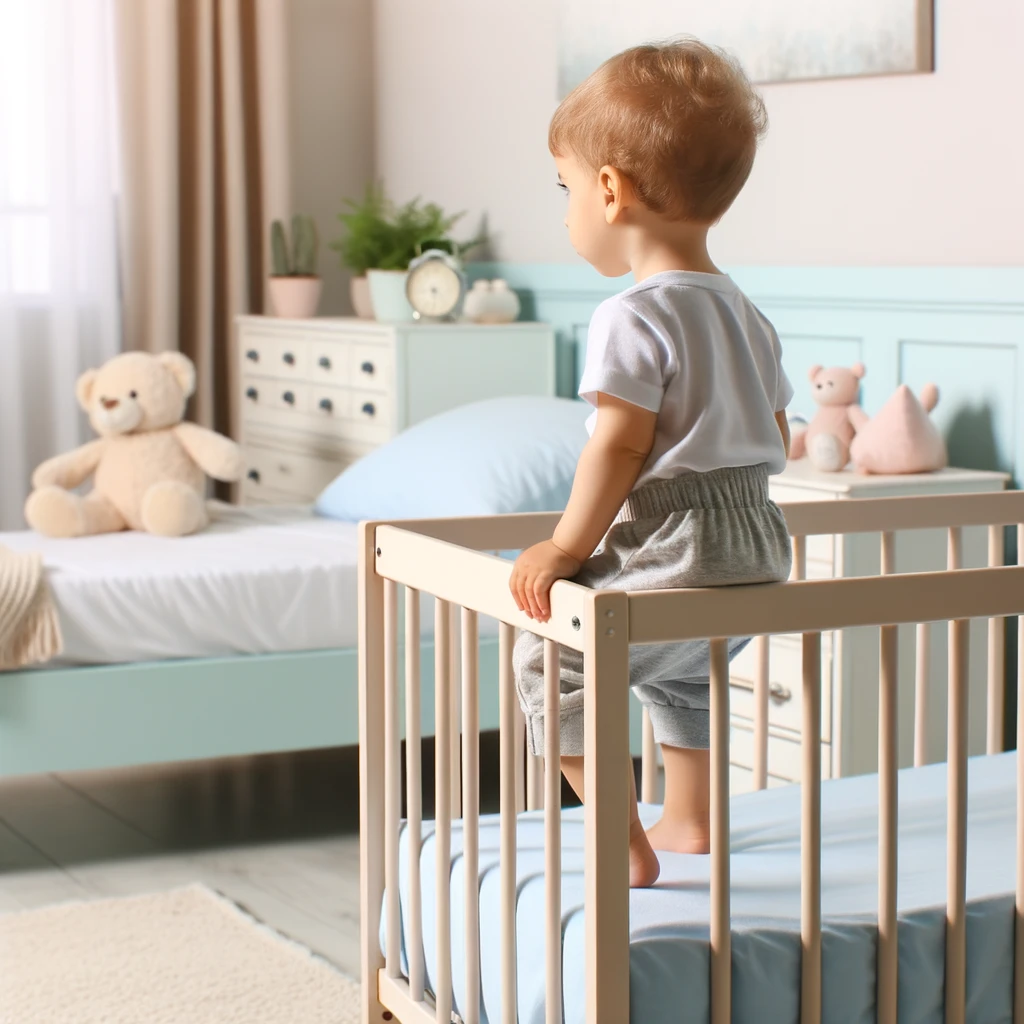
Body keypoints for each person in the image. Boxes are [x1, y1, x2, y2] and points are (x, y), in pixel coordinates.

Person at [510, 38, 793, 887]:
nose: (566, 213)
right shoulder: (747, 313)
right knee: (684, 668)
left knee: (549, 654)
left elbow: (621, 445)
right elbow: (776, 429)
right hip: (757, 549)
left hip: (676, 538)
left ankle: (619, 839)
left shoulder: (631, 314)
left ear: (610, 190)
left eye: (565, 190)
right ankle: (690, 818)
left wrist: (564, 548)